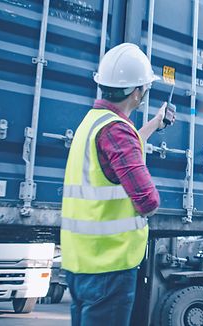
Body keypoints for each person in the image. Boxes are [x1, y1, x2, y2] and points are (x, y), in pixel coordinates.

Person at [60, 43, 173, 326]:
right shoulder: (117, 131)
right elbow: (148, 201)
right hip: (109, 268)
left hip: (80, 264)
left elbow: (119, 151)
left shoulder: (93, 122)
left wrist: (154, 125)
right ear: (137, 93)